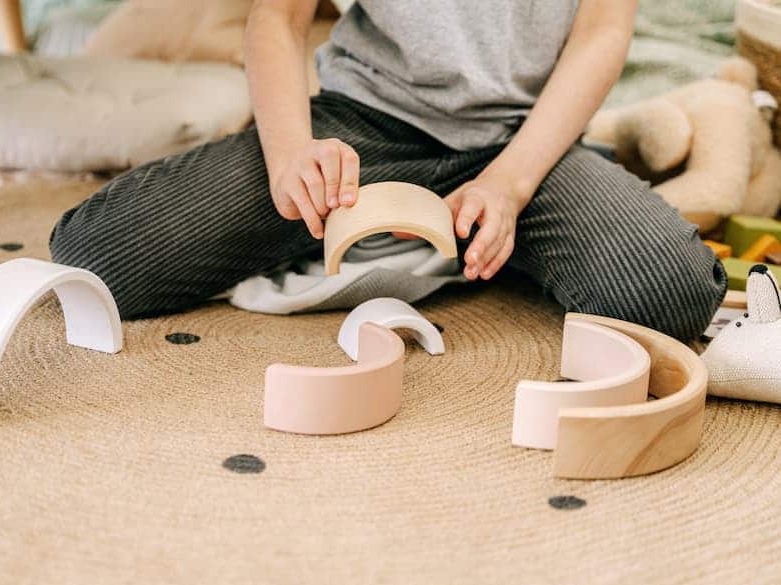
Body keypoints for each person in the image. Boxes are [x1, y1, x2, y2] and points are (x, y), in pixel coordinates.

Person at [49, 0, 726, 340]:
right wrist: (291, 156)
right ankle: (408, 228)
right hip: (361, 126)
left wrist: (511, 182)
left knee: (666, 293)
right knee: (97, 259)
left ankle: (484, 232)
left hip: (522, 146)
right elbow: (277, 21)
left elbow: (603, 33)